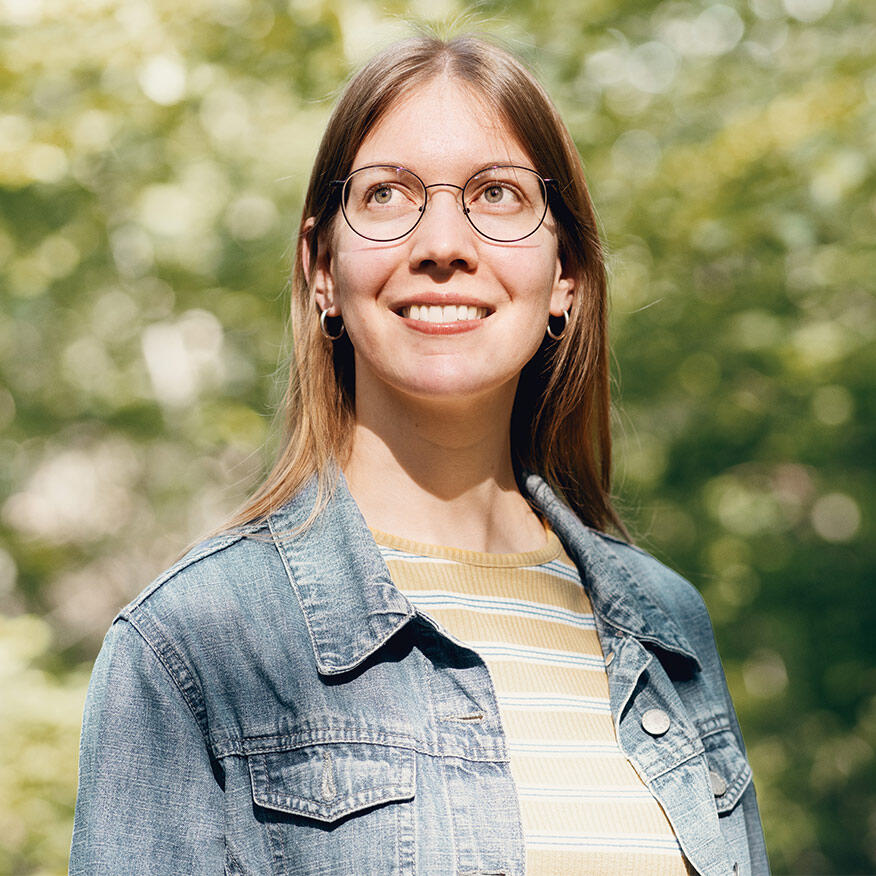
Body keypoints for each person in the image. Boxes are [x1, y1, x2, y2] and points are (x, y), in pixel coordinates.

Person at [70, 34, 769, 876]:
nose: (443, 242)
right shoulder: (191, 644)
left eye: (499, 194)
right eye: (389, 194)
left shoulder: (670, 628)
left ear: (566, 277)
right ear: (321, 267)